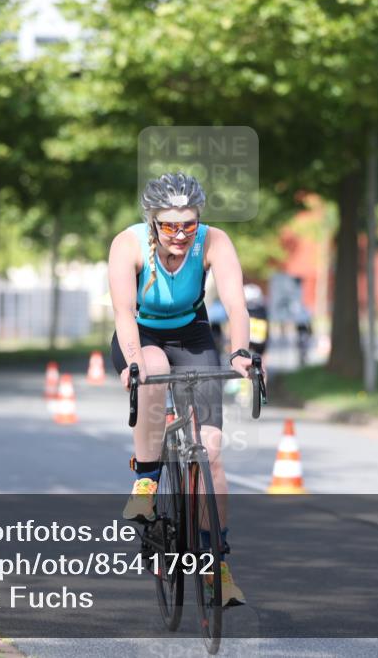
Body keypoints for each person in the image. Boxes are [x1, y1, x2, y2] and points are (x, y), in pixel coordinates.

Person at [109, 172, 253, 607]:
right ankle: (147, 480)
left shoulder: (214, 242)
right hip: (141, 335)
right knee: (152, 367)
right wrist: (132, 360)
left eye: (188, 225)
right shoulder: (127, 244)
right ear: (152, 221)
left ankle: (217, 565)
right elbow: (122, 311)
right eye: (170, 225)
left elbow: (236, 303)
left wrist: (242, 353)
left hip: (192, 336)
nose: (180, 235)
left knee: (210, 449)